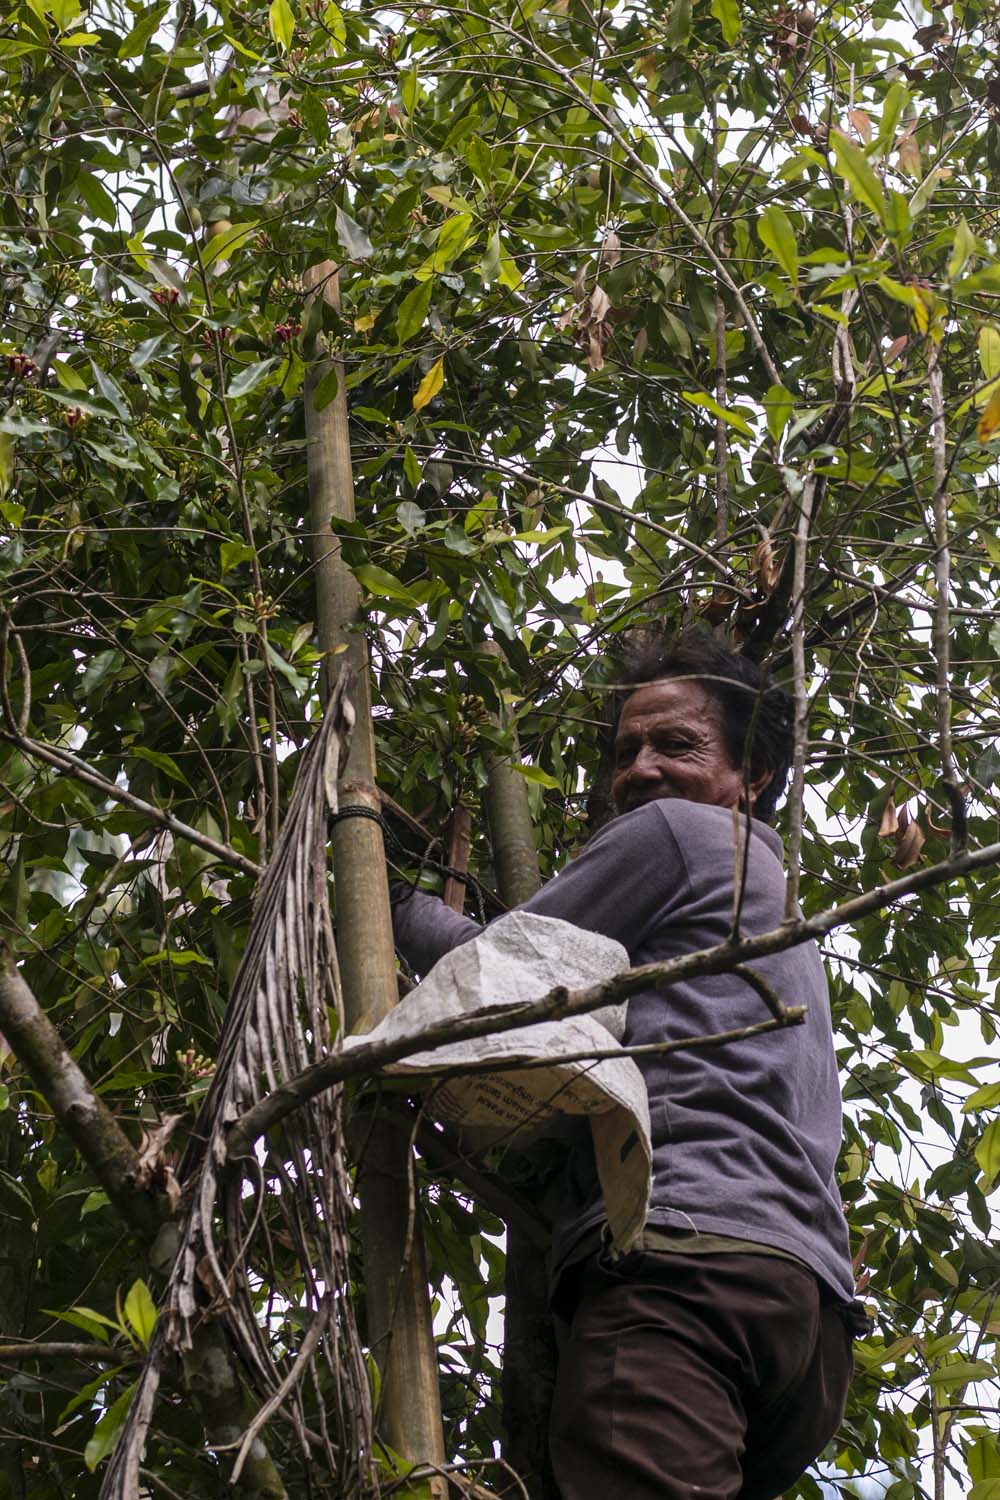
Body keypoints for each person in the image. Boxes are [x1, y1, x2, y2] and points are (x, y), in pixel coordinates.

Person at [390, 630, 862, 1500]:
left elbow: (512, 972)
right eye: (626, 750)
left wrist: (388, 896)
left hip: (687, 1270)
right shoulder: (772, 896)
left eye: (677, 744)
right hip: (805, 1316)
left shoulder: (683, 834)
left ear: (751, 776)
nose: (641, 768)